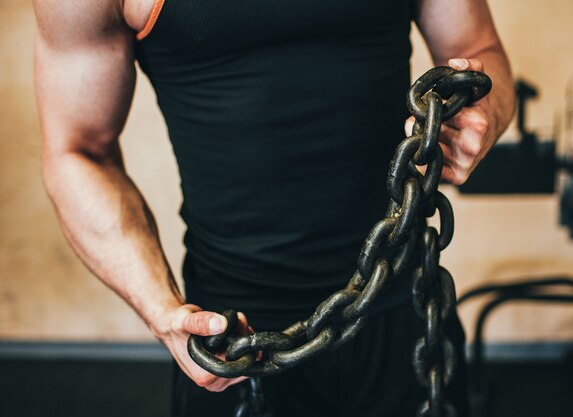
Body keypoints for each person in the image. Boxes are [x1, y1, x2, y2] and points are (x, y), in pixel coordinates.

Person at [33, 0, 514, 416]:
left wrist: (485, 111)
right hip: (236, 341)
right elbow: (77, 151)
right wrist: (162, 311)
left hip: (407, 310)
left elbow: (481, 47)